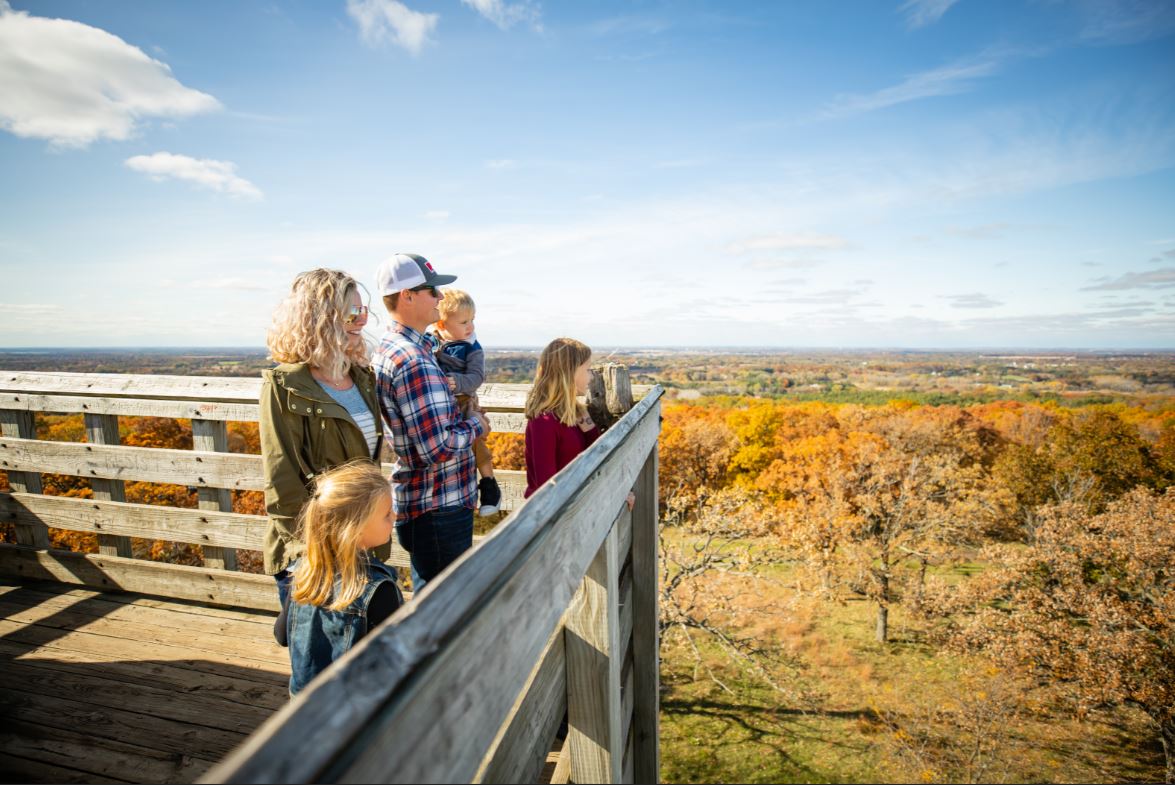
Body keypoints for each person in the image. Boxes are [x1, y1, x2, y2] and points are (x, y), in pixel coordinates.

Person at [260, 268, 389, 607]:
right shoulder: (284, 386)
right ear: (319, 317)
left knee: (363, 652)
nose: (361, 321)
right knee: (318, 657)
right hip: (315, 555)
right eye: (351, 312)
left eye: (363, 312)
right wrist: (311, 556)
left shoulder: (362, 378)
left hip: (361, 544)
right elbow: (281, 481)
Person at [372, 253, 491, 592]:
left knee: (432, 601)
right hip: (440, 503)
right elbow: (436, 448)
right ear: (406, 296)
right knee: (441, 609)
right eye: (431, 291)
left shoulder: (398, 348)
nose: (440, 298)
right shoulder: (414, 361)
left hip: (425, 503)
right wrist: (477, 426)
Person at [272, 461, 403, 696]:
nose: (394, 516)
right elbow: (393, 660)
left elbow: (281, 635)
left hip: (303, 708)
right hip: (352, 711)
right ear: (355, 528)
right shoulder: (378, 589)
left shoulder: (303, 575)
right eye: (386, 514)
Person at [523, 337, 635, 511]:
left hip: (573, 507)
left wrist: (615, 491)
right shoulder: (543, 422)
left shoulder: (575, 414)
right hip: (550, 518)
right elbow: (547, 488)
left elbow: (596, 454)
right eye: (588, 369)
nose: (591, 376)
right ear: (569, 373)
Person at [430, 288, 502, 516]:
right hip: (441, 407)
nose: (470, 326)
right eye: (463, 322)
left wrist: (457, 382)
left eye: (472, 320)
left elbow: (477, 377)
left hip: (464, 402)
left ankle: (489, 484)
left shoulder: (471, 347)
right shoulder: (431, 341)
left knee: (476, 442)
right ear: (442, 325)